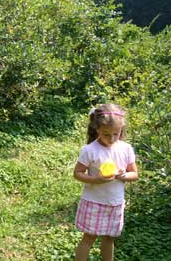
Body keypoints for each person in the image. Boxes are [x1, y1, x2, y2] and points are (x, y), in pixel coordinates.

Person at [73, 104, 138, 261]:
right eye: (106, 134)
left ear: (121, 130)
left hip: (115, 203)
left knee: (109, 239)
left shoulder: (126, 149)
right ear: (97, 130)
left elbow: (134, 174)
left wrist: (123, 175)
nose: (111, 138)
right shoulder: (90, 150)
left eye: (116, 134)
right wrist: (97, 179)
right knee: (88, 238)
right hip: (93, 202)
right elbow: (77, 173)